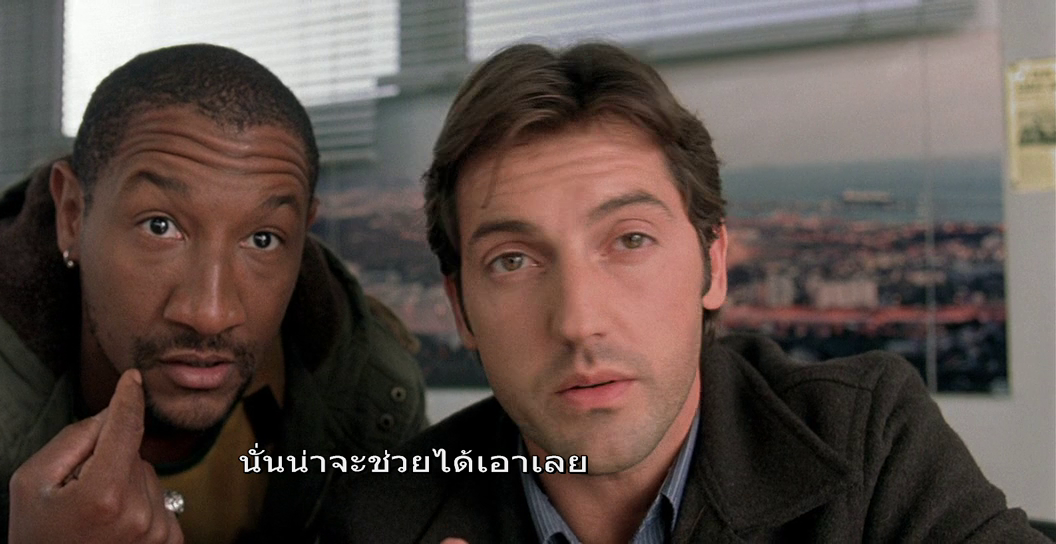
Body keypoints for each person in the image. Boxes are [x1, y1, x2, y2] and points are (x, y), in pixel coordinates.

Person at [323, 42, 1048, 543]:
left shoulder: (868, 440)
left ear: (713, 264)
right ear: (461, 310)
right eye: (513, 260)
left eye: (630, 240)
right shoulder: (381, 518)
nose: (579, 321)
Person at [0, 44, 427, 543]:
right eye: (160, 226)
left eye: (263, 239)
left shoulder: (366, 381)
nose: (210, 313)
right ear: (72, 214)